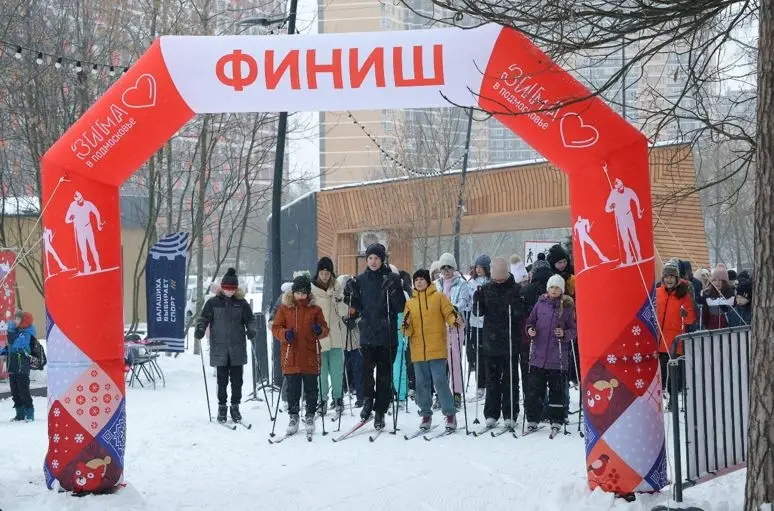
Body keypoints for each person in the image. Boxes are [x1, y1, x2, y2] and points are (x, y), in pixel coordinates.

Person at [349, 243, 406, 430]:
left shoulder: (391, 278)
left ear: (383, 260)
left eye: (377, 258)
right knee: (366, 371)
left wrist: (395, 289)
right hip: (367, 334)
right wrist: (349, 293)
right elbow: (356, 306)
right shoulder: (360, 280)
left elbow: (400, 307)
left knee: (384, 375)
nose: (373, 262)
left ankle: (380, 410)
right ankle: (368, 400)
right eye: (370, 258)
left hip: (387, 335)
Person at [195, 268, 257, 424]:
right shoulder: (212, 303)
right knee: (221, 381)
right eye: (227, 288)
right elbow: (203, 318)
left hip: (237, 348)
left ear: (236, 289)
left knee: (237, 381)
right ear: (222, 287)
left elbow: (250, 320)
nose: (230, 292)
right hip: (219, 348)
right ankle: (221, 406)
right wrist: (200, 328)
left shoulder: (241, 304)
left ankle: (235, 406)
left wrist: (251, 330)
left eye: (232, 289)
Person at [402, 269, 462, 431]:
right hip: (418, 350)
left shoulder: (439, 297)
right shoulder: (410, 302)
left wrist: (454, 320)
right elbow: (407, 330)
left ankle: (450, 414)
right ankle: (426, 414)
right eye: (416, 280)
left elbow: (449, 313)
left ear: (428, 281)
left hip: (436, 348)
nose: (419, 282)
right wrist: (405, 326)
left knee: (440, 381)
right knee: (421, 384)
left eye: (422, 279)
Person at [271, 274, 330, 435]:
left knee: (311, 389)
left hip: (310, 354)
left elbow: (325, 329)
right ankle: (294, 415)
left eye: (304, 293)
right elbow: (275, 328)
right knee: (293, 389)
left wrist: (319, 331)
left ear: (308, 294)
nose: (301, 296)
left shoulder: (315, 309)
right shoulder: (285, 308)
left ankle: (310, 415)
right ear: (293, 292)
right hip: (291, 355)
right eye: (298, 293)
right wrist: (284, 334)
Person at [472, 257, 525, 430]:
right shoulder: (486, 289)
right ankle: (491, 414)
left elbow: (521, 312)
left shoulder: (516, 288)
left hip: (510, 342)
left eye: (501, 278)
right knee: (492, 381)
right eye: (496, 278)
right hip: (491, 343)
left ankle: (510, 413)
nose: (499, 281)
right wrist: (477, 299)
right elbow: (478, 313)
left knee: (510, 380)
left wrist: (517, 305)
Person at [525, 275, 577, 436]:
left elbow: (575, 330)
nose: (554, 290)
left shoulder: (567, 306)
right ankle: (533, 418)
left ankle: (557, 419)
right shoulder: (540, 304)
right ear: (547, 288)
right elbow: (530, 321)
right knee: (535, 390)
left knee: (557, 391)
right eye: (551, 287)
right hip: (538, 356)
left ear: (562, 290)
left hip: (557, 357)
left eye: (557, 288)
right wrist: (530, 330)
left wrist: (565, 333)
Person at [310, 257, 349, 417]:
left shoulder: (338, 289)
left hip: (336, 335)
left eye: (327, 272)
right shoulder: (312, 291)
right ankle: (322, 400)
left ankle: (338, 398)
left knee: (337, 370)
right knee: (321, 371)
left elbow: (343, 312)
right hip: (319, 336)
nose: (325, 275)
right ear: (318, 273)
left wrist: (340, 301)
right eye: (322, 272)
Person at [655, 261, 696, 410]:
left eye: (672, 277)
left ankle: (673, 399)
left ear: (677, 278)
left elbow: (691, 318)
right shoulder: (657, 292)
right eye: (667, 277)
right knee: (661, 372)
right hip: (659, 340)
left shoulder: (683, 294)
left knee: (673, 373)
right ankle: (659, 398)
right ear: (663, 278)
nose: (669, 280)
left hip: (675, 341)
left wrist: (686, 314)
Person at [435, 252, 471, 409]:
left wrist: (453, 307)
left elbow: (465, 301)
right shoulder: (437, 284)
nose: (446, 271)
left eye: (448, 268)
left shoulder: (461, 283)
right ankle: (441, 394)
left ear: (454, 268)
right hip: (439, 325)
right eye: (443, 268)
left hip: (455, 324)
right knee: (439, 361)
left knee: (454, 359)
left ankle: (457, 393)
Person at [1, 310, 36, 422]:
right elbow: (11, 347)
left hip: (22, 366)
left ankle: (29, 414)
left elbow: (17, 344)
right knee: (15, 392)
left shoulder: (27, 332)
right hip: (13, 366)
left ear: (23, 321)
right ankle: (19, 414)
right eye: (14, 318)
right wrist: (3, 350)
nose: (14, 320)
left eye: (17, 318)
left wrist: (10, 330)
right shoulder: (16, 332)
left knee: (23, 391)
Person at [467, 254, 491, 398]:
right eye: (477, 267)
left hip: (488, 323)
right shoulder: (471, 283)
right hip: (475, 322)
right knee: (477, 354)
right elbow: (469, 301)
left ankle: (488, 382)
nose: (479, 270)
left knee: (487, 355)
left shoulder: (491, 282)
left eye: (481, 267)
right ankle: (480, 384)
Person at [338, 274, 364, 407]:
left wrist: (356, 321)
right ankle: (338, 398)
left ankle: (361, 397)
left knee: (358, 369)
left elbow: (363, 314)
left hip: (356, 340)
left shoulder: (358, 298)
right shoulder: (338, 299)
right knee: (341, 370)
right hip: (342, 341)